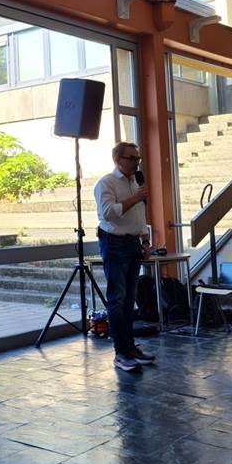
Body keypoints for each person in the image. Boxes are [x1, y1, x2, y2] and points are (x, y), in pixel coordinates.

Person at [94, 141, 155, 371]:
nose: (136, 162)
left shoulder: (135, 182)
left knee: (130, 299)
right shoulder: (106, 183)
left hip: (133, 243)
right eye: (132, 158)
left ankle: (130, 348)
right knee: (117, 299)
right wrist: (135, 199)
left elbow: (140, 216)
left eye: (138, 158)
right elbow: (107, 213)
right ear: (118, 160)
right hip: (114, 243)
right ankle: (120, 353)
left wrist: (146, 240)